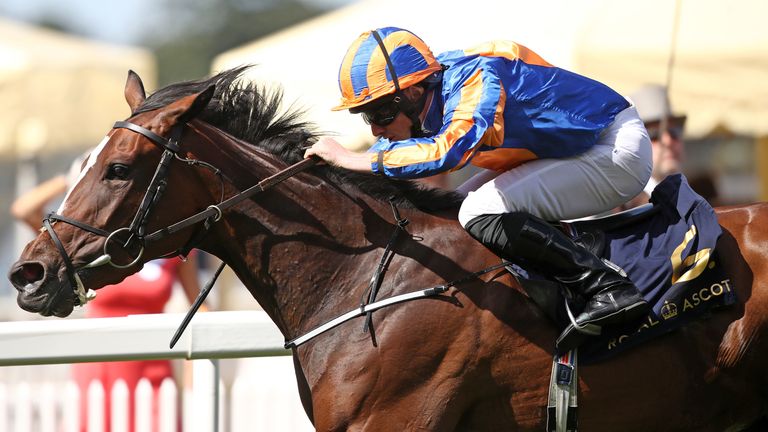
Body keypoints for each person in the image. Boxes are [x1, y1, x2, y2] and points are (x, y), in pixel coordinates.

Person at [304, 27, 653, 353]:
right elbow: (398, 154)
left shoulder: (475, 79)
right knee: (456, 208)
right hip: (574, 149)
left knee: (478, 211)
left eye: (379, 113)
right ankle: (575, 251)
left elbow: (447, 153)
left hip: (613, 149)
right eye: (367, 117)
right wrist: (343, 164)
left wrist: (352, 159)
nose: (377, 129)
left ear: (412, 93)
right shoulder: (434, 90)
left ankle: (606, 288)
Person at [11, 152, 206, 432]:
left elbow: (198, 304)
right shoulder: (95, 245)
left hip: (153, 371)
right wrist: (74, 176)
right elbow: (24, 210)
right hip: (100, 368)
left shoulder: (172, 245)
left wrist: (197, 368)